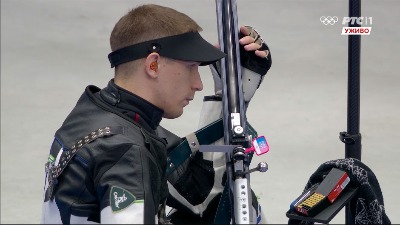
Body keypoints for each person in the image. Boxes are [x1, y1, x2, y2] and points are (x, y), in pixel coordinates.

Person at [41, 3, 271, 224]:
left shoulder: (98, 111)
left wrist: (229, 95)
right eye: (191, 67)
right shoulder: (126, 152)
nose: (199, 84)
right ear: (153, 65)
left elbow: (199, 195)